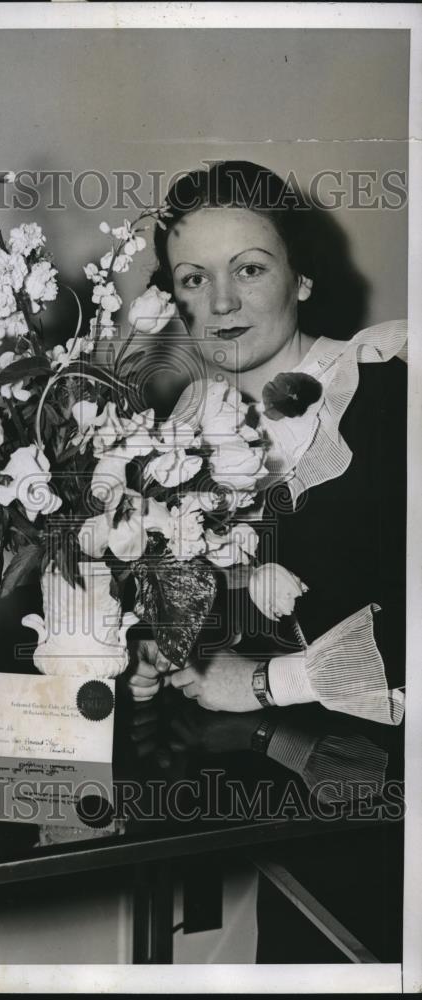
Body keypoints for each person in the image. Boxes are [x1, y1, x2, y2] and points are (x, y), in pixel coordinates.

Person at [128, 161, 406, 725]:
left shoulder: (387, 393)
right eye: (194, 279)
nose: (222, 303)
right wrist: (157, 645)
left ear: (301, 277)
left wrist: (264, 683)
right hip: (241, 761)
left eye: (249, 270)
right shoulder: (175, 432)